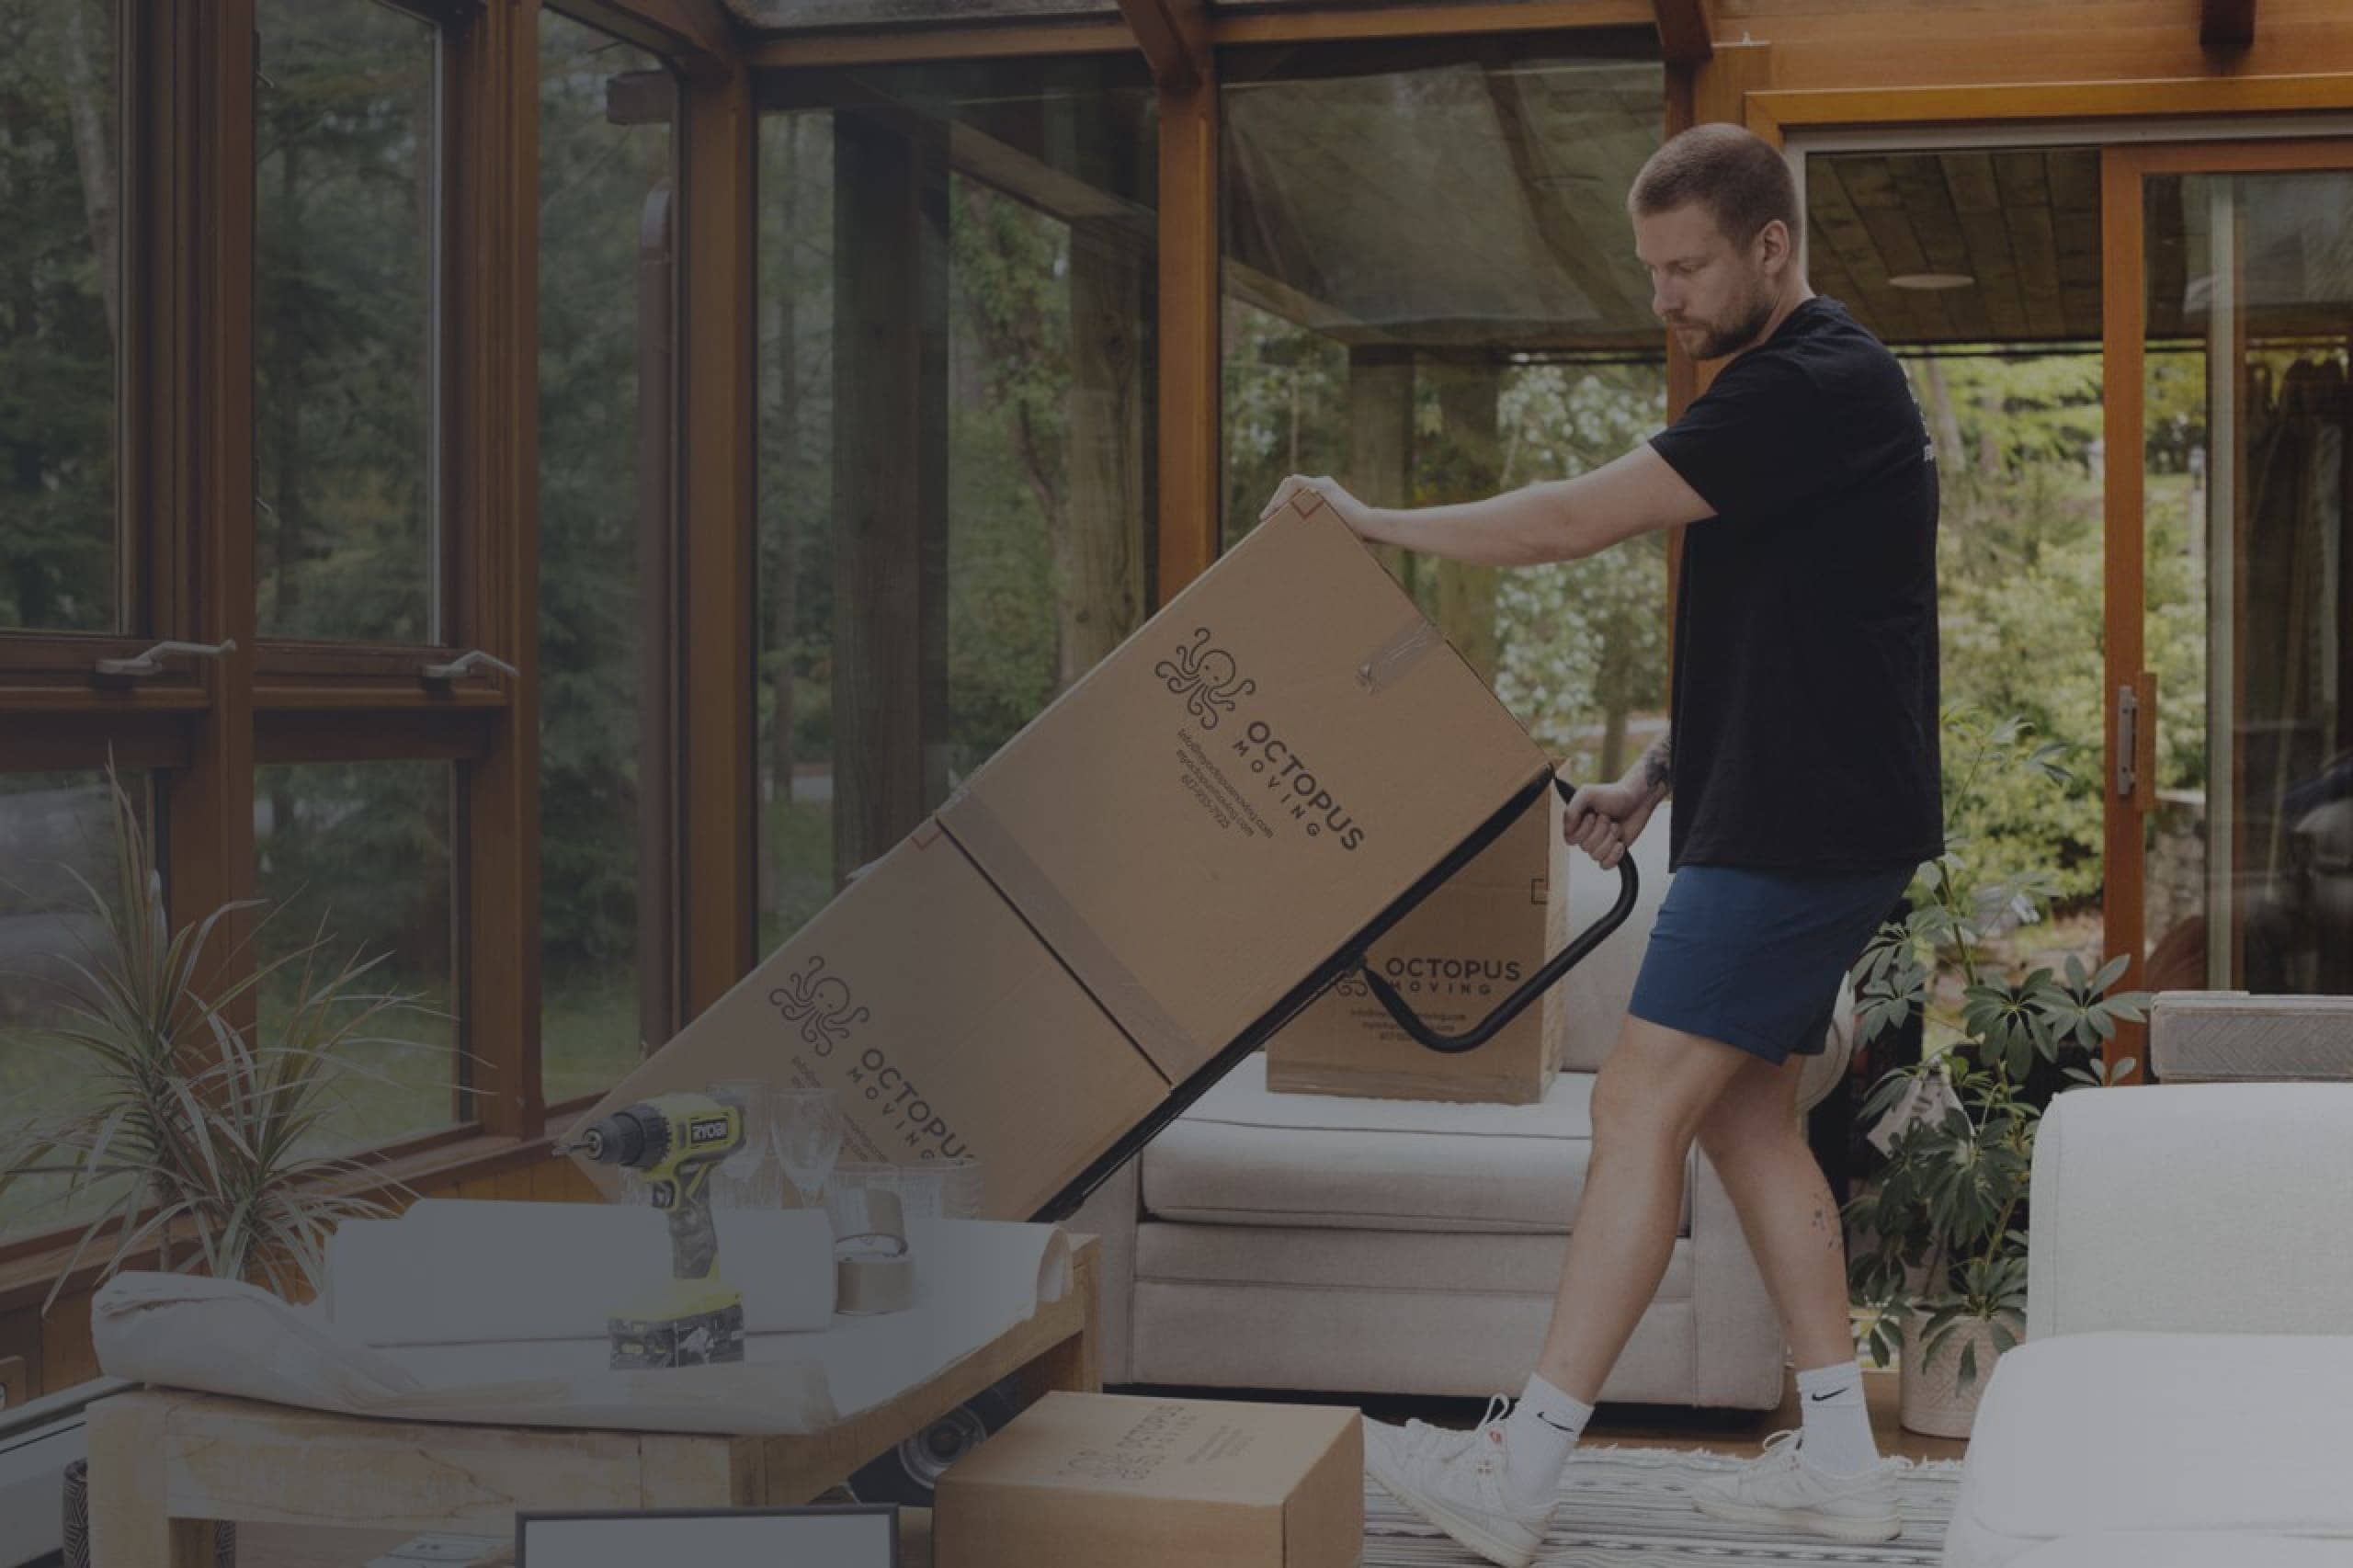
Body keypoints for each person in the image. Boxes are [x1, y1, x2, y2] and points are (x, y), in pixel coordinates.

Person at [1266, 121, 1943, 1567]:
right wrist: (1656, 776)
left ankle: (1523, 1469)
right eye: (1650, 271)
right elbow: (1793, 636)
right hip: (1791, 810)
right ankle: (1843, 1461)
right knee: (1745, 1117)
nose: (1666, 300)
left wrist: (1372, 520)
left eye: (1687, 267)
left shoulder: (1818, 379)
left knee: (1633, 1104)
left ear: (1772, 248)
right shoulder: (1793, 395)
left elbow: (1571, 522)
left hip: (1803, 832)